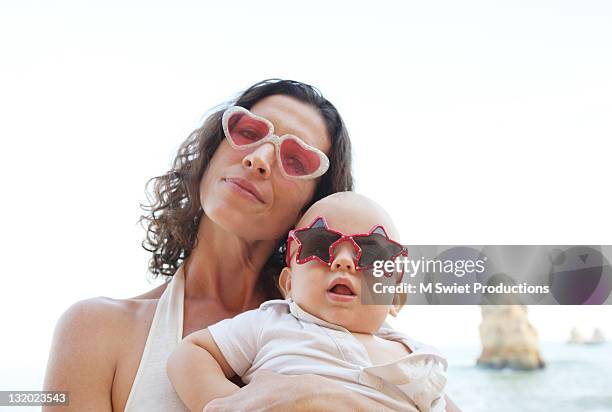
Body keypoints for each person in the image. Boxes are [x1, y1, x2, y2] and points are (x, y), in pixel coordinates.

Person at [167, 192, 448, 412]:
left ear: (395, 299)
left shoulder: (420, 357)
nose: (343, 261)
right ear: (289, 284)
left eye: (374, 253)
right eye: (318, 244)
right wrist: (229, 402)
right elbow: (191, 353)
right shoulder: (273, 323)